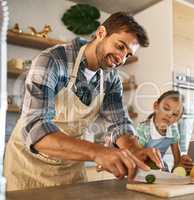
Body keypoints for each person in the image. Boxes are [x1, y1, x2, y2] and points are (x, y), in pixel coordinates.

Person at [4, 12, 163, 191]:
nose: (121, 59)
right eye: (120, 47)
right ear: (101, 33)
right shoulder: (53, 61)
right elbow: (36, 128)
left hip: (70, 169)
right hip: (27, 166)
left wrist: (135, 150)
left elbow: (119, 124)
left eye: (127, 55)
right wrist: (97, 152)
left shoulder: (111, 80)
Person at [136, 90, 193, 172]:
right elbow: (137, 156)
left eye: (175, 114)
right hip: (142, 170)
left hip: (161, 168)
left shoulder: (173, 130)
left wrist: (182, 164)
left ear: (178, 119)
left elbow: (177, 162)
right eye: (166, 108)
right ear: (156, 106)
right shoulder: (143, 128)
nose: (169, 115)